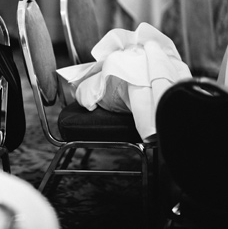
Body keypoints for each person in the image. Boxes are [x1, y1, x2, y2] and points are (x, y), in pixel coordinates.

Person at [56, 22, 192, 142]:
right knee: (139, 75)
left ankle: (178, 115)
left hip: (120, 72)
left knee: (149, 64)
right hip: (116, 80)